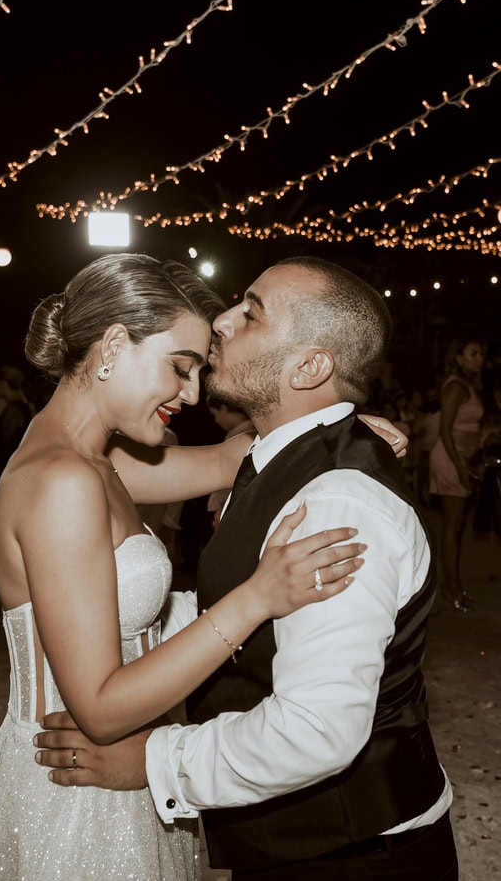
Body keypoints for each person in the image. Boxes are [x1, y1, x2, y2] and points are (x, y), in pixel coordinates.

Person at [0, 254, 369, 881]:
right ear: (114, 346)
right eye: (180, 368)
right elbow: (100, 708)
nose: (191, 394)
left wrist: (346, 429)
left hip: (122, 769)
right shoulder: (62, 480)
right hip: (81, 788)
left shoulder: (98, 461)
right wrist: (256, 598)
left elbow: (230, 459)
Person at [36, 256, 457, 881]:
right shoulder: (269, 461)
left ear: (310, 367)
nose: (222, 322)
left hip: (354, 858)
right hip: (296, 846)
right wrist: (330, 428)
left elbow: (314, 731)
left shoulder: (335, 504)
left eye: (251, 314)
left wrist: (155, 761)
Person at [429, 335, 486, 611]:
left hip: (460, 458)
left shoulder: (468, 386)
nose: (479, 359)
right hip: (450, 460)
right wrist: (460, 468)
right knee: (452, 527)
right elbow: (445, 431)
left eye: (481, 354)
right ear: (459, 359)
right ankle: (451, 590)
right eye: (473, 353)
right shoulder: (455, 387)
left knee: (457, 526)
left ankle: (453, 586)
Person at [206, 394, 255, 528]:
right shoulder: (249, 429)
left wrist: (224, 504)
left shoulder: (242, 433)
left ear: (224, 408)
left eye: (215, 414)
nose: (216, 420)